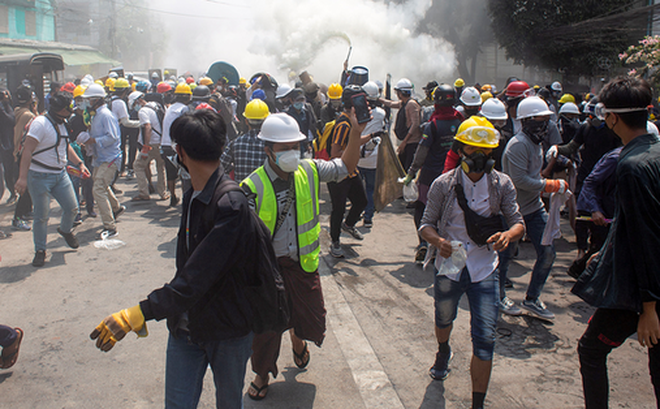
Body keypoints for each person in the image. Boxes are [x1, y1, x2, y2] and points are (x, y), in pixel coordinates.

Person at [90, 110, 259, 409]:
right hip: (186, 326)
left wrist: (138, 313)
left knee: (230, 402)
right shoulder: (194, 192)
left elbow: (195, 278)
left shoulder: (230, 204)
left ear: (179, 152)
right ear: (222, 146)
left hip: (228, 330)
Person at [241, 110, 367, 400]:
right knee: (267, 327)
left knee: (303, 314)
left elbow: (346, 165)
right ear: (268, 150)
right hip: (269, 270)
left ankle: (298, 342)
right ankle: (262, 374)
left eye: (295, 146)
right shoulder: (251, 187)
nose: (291, 153)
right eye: (284, 149)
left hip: (303, 266)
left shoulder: (309, 170)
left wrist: (356, 134)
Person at [420, 117, 524, 409]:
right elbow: (426, 224)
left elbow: (518, 222)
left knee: (485, 339)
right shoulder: (444, 184)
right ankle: (443, 350)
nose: (479, 157)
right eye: (472, 150)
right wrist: (437, 241)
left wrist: (507, 234)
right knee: (444, 318)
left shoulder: (502, 184)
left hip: (484, 266)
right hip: (451, 262)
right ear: (460, 150)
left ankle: (477, 403)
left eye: (486, 151)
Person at [572, 76, 660, 409]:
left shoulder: (630, 166)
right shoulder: (653, 151)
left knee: (591, 350)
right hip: (647, 279)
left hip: (639, 290)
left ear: (611, 118)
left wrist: (649, 307)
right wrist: (605, 254)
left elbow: (644, 235)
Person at [501, 96, 568, 320]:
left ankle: (532, 298)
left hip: (534, 207)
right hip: (512, 211)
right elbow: (519, 180)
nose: (546, 124)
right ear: (528, 120)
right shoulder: (518, 145)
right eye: (541, 119)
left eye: (547, 119)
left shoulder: (536, 143)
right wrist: (550, 185)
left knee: (548, 253)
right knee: (506, 254)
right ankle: (499, 295)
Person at [14, 92, 88, 267]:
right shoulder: (40, 124)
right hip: (39, 176)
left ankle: (65, 230)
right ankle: (40, 250)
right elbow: (27, 152)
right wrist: (22, 178)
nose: (71, 111)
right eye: (68, 108)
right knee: (41, 216)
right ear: (60, 109)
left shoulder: (61, 123)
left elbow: (65, 145)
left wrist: (79, 163)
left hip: (60, 174)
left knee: (72, 208)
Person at [402, 84, 463, 264]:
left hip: (430, 176)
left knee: (423, 210)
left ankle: (424, 242)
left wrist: (411, 173)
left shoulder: (432, 125)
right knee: (446, 211)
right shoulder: (460, 122)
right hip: (453, 176)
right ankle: (441, 244)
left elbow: (421, 152)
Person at [327, 85, 373, 258]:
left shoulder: (352, 122)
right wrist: (357, 153)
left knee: (361, 201)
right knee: (338, 209)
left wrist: (371, 136)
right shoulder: (343, 124)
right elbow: (335, 153)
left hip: (351, 172)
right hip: (339, 174)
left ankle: (349, 225)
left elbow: (354, 140)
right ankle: (335, 241)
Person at [80, 84, 125, 239]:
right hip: (101, 158)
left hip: (110, 157)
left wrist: (93, 140)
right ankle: (116, 207)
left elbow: (112, 137)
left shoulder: (105, 115)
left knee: (98, 188)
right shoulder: (96, 115)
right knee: (100, 184)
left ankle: (110, 226)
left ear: (96, 100)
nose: (86, 103)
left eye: (88, 100)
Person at [129, 91, 168, 201]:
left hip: (151, 144)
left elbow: (147, 127)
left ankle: (144, 192)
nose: (134, 107)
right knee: (160, 168)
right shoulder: (156, 105)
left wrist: (145, 147)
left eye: (133, 104)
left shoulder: (143, 111)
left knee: (138, 166)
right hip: (161, 142)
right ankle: (163, 193)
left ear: (138, 101)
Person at [358, 81, 386, 228]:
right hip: (374, 158)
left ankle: (356, 213)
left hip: (357, 156)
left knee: (357, 188)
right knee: (370, 188)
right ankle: (368, 218)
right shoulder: (381, 113)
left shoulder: (358, 113)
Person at [220, 99, 269, 182]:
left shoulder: (235, 143)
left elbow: (221, 166)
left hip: (242, 192)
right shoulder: (271, 145)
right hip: (266, 192)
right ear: (265, 121)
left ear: (246, 121)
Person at [380, 78, 422, 171]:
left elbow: (415, 124)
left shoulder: (411, 104)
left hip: (411, 142)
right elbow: (391, 104)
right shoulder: (404, 103)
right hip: (406, 141)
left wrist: (404, 142)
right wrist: (380, 100)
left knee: (407, 168)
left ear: (402, 92)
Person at [11, 85, 37, 231]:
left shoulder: (16, 111)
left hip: (15, 154)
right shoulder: (29, 116)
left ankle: (26, 211)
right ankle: (18, 217)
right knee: (25, 186)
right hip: (23, 154)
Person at [161, 84, 192, 206]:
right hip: (176, 145)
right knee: (185, 173)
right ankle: (186, 198)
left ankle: (172, 196)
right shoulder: (184, 109)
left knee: (170, 172)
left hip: (165, 144)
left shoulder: (170, 107)